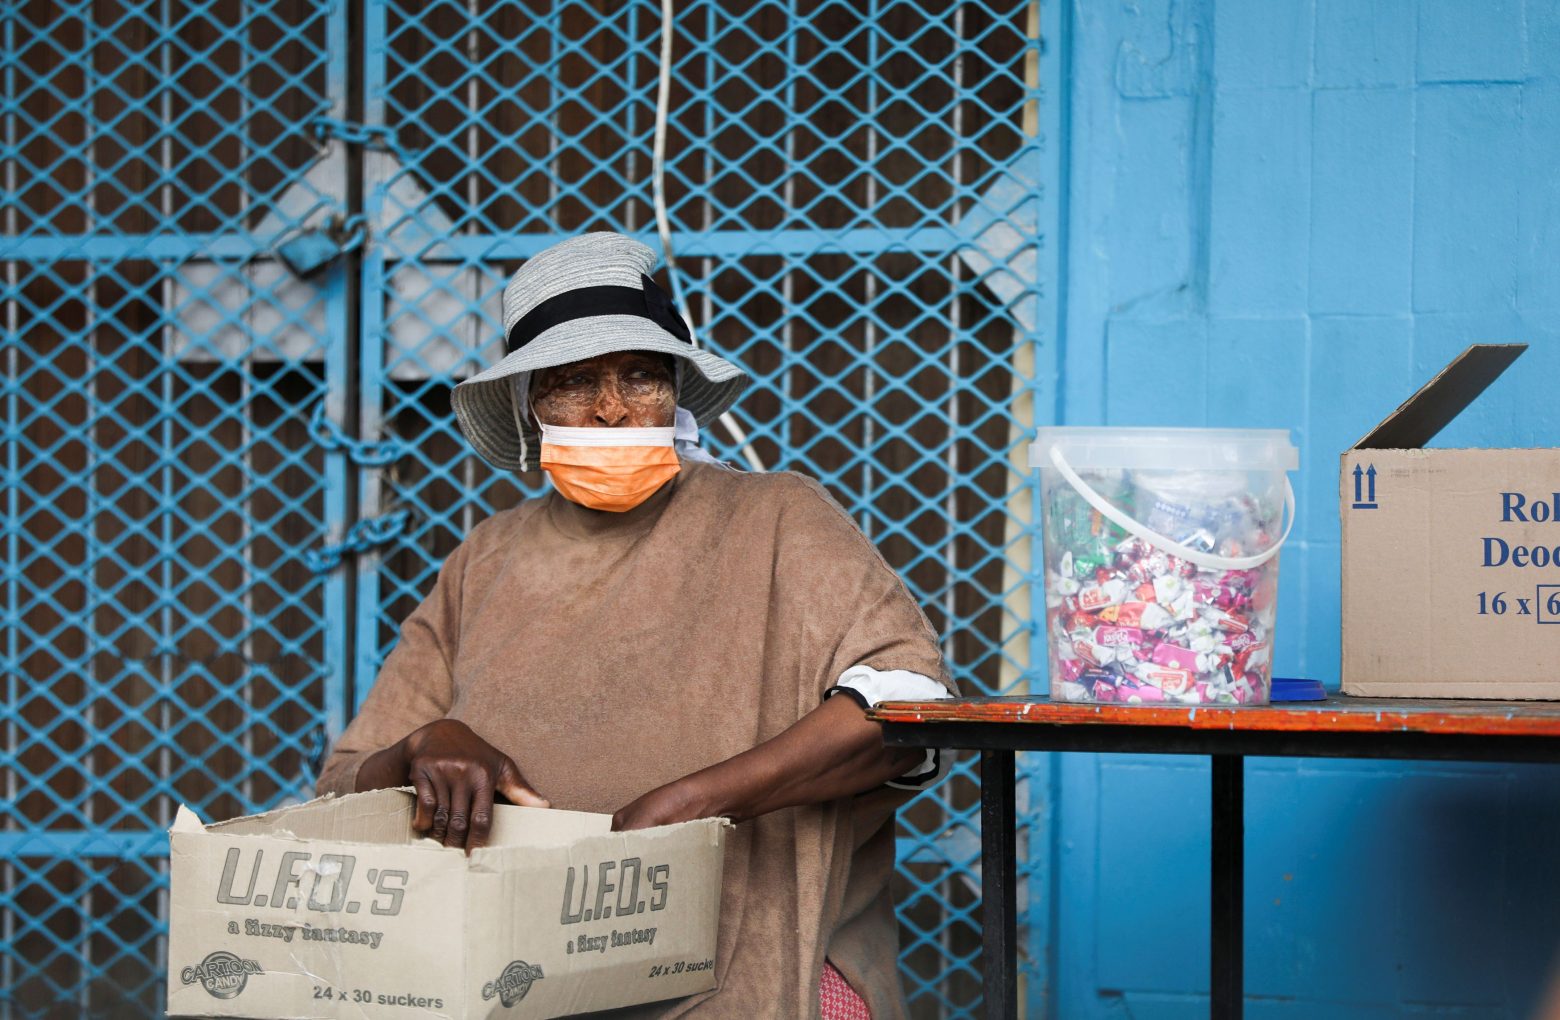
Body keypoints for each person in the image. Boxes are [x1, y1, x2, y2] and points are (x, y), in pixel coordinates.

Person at [316, 232, 955, 1018]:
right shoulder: (485, 561)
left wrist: (695, 803)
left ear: (676, 394)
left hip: (752, 960)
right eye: (573, 382)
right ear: (528, 408)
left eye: (641, 377)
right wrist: (423, 746)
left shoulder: (777, 518)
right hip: (517, 979)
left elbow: (905, 707)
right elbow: (343, 785)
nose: (612, 408)